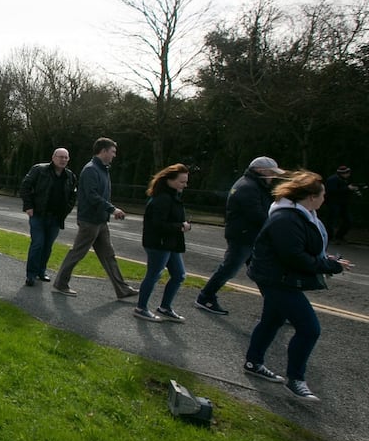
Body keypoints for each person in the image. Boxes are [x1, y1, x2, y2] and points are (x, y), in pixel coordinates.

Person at [242, 171, 350, 402]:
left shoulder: (301, 215)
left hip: (281, 277)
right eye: (323, 195)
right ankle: (295, 380)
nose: (324, 199)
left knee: (272, 320)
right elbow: (294, 256)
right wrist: (329, 266)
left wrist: (328, 260)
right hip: (277, 279)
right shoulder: (287, 218)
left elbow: (303, 247)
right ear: (311, 196)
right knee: (310, 329)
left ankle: (253, 362)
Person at [51, 138, 138, 299]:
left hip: (100, 220)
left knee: (108, 255)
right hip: (89, 221)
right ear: (103, 151)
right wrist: (112, 209)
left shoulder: (102, 169)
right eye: (112, 152)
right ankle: (61, 283)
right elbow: (92, 196)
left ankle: (122, 289)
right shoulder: (91, 170)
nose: (114, 155)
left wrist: (108, 211)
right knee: (78, 252)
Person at [195, 156, 282, 315]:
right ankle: (205, 297)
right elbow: (257, 214)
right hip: (243, 236)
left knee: (261, 272)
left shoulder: (252, 184)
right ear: (261, 171)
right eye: (271, 173)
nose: (273, 177)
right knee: (230, 268)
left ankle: (275, 306)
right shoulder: (249, 187)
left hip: (248, 235)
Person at [134, 164, 192, 323]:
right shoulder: (162, 198)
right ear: (169, 180)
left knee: (179, 275)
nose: (184, 185)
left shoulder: (172, 196)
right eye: (181, 182)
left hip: (170, 242)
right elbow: (157, 225)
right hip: (158, 243)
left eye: (185, 182)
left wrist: (181, 225)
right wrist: (180, 226)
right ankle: (141, 307)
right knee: (154, 274)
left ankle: (165, 307)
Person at [19, 148, 77, 287]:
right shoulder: (39, 170)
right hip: (38, 214)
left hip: (56, 218)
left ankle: (41, 271)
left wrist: (65, 211)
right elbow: (25, 186)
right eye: (60, 157)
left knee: (47, 246)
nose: (63, 160)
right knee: (38, 243)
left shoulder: (70, 176)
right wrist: (28, 206)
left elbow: (73, 196)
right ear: (53, 157)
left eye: (66, 158)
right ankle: (31, 275)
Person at [323, 165, 358, 243]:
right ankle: (329, 237)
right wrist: (347, 189)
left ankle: (340, 236)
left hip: (344, 203)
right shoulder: (332, 180)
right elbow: (331, 191)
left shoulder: (346, 180)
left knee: (348, 220)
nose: (348, 174)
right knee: (332, 220)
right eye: (347, 173)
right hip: (333, 203)